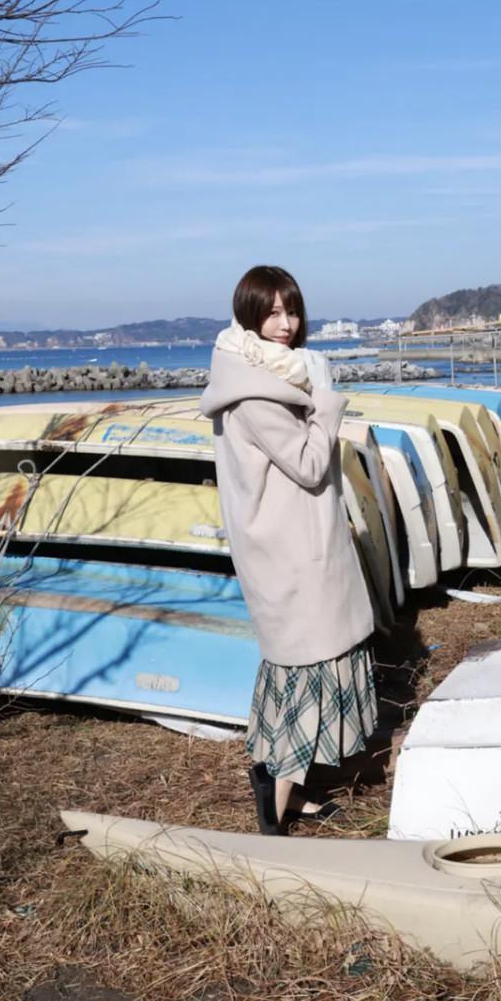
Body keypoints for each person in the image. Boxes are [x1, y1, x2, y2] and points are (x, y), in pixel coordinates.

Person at [200, 264, 378, 835]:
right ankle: (272, 795)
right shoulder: (257, 390)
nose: (286, 324)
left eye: (292, 310)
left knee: (299, 668)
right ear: (249, 314)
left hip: (290, 544)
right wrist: (326, 402)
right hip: (291, 551)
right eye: (272, 311)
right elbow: (306, 464)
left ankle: (290, 791)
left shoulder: (262, 372)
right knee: (308, 668)